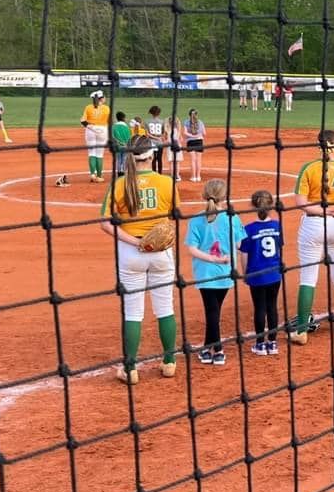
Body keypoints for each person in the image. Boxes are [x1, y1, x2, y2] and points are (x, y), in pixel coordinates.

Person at [99, 135, 179, 384]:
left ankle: (130, 368)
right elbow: (173, 216)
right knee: (165, 308)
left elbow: (105, 223)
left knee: (132, 312)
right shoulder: (167, 182)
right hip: (161, 253)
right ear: (152, 155)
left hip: (130, 253)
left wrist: (137, 242)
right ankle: (169, 362)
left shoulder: (120, 184)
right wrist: (155, 239)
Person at [293, 129, 334, 343]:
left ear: (318, 146)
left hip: (313, 225)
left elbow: (301, 203)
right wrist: (330, 210)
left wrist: (323, 210)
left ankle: (301, 331)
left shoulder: (309, 168)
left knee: (308, 277)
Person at [185, 179, 247, 366]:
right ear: (224, 196)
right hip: (226, 272)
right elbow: (240, 244)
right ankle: (209, 349)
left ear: (205, 195)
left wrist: (212, 259)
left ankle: (216, 350)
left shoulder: (196, 219)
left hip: (205, 273)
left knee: (212, 311)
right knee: (214, 311)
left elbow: (192, 249)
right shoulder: (232, 217)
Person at [239, 190, 283, 356]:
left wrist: (245, 274)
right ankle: (273, 343)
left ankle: (260, 344)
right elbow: (279, 248)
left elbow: (244, 255)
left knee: (259, 308)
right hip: (274, 273)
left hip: (257, 274)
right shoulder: (277, 225)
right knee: (272, 306)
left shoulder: (248, 229)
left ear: (253, 206)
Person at [81, 90, 109, 183]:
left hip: (90, 130)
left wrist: (91, 127)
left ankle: (93, 174)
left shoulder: (88, 107)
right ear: (101, 98)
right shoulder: (106, 108)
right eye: (104, 97)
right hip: (102, 130)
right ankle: (99, 176)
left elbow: (83, 121)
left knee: (91, 153)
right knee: (99, 154)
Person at [183, 108, 206, 182]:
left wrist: (192, 136)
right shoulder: (200, 122)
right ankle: (198, 176)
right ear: (196, 114)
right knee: (198, 160)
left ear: (189, 115)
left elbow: (185, 133)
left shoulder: (186, 122)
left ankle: (193, 177)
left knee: (193, 160)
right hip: (199, 141)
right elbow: (204, 133)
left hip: (190, 142)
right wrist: (197, 136)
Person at [163, 112, 184, 181]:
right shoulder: (178, 130)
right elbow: (181, 140)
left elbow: (165, 139)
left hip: (170, 147)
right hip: (177, 146)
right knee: (177, 162)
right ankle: (177, 176)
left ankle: (172, 176)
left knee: (171, 162)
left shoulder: (168, 130)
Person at [145, 106, 164, 174]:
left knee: (153, 158)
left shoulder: (147, 122)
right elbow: (163, 133)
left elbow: (147, 134)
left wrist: (153, 137)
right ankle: (160, 174)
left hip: (151, 142)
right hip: (159, 142)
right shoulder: (162, 122)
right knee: (159, 158)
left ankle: (154, 173)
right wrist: (158, 138)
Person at [111, 111, 131, 176]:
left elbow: (112, 136)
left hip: (117, 146)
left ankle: (119, 172)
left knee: (119, 159)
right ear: (123, 118)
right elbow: (129, 137)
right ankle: (124, 172)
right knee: (124, 159)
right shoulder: (126, 127)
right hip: (125, 146)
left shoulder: (114, 126)